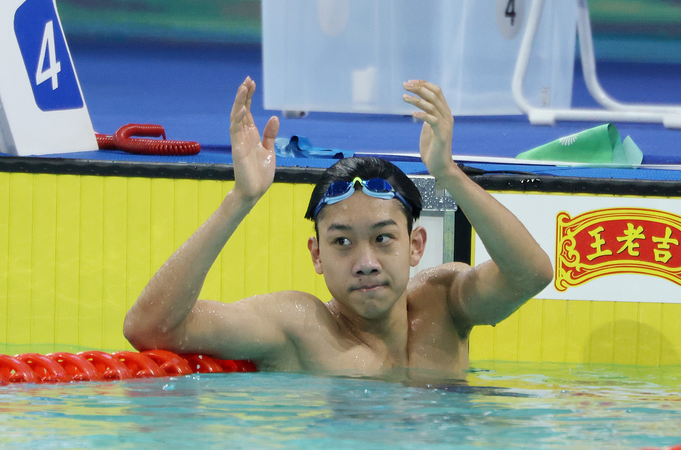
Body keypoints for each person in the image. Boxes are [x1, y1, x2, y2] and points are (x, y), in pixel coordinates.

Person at [123, 77, 553, 378]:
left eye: (383, 238)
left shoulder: (445, 306)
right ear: (317, 255)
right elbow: (151, 329)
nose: (366, 263)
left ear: (416, 245)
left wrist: (449, 174)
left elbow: (530, 273)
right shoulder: (299, 329)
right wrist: (241, 199)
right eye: (342, 242)